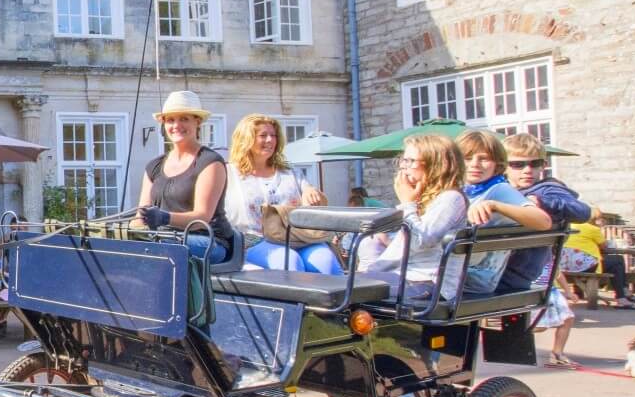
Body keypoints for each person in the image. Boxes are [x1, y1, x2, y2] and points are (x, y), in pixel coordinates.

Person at [495, 135, 594, 366]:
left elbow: (582, 211)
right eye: (518, 164)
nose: (527, 170)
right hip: (498, 265)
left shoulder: (548, 190)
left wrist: (541, 202)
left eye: (535, 163)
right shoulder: (500, 188)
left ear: (543, 165)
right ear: (504, 167)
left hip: (514, 273)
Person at [359, 133, 469, 305]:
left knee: (346, 290)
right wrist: (370, 271)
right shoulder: (423, 198)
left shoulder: (451, 199)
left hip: (428, 284)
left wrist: (407, 203)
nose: (403, 167)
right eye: (403, 160)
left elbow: (419, 241)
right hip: (406, 278)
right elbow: (400, 247)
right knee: (340, 285)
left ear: (436, 165)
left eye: (410, 161)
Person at [224, 114, 340, 274]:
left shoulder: (290, 172)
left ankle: (339, 299)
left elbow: (312, 195)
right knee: (288, 260)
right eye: (263, 135)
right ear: (246, 139)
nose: (270, 140)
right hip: (254, 239)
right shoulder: (228, 173)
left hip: (298, 237)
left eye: (273, 135)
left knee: (325, 260)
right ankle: (298, 299)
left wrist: (310, 191)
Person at [134, 91, 235, 263]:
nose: (176, 125)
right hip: (163, 237)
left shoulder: (210, 162)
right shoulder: (154, 166)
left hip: (208, 240)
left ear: (198, 122)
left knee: (160, 244)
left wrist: (164, 218)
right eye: (171, 120)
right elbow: (140, 216)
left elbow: (202, 217)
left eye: (184, 119)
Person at [457, 129, 550, 295]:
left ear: (497, 164)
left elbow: (543, 221)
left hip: (475, 276)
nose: (474, 164)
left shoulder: (498, 189)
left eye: (483, 159)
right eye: (467, 158)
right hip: (459, 270)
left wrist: (495, 206)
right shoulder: (462, 190)